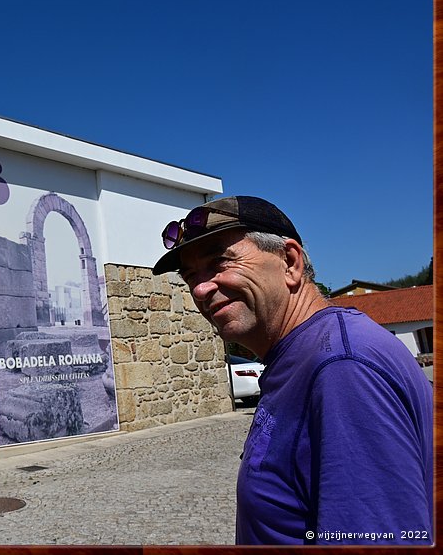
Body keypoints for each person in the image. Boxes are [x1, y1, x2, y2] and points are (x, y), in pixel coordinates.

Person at [152, 195, 433, 546]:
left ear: (289, 262)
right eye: (190, 276)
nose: (201, 288)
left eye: (220, 262)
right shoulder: (302, 356)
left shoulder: (342, 368)